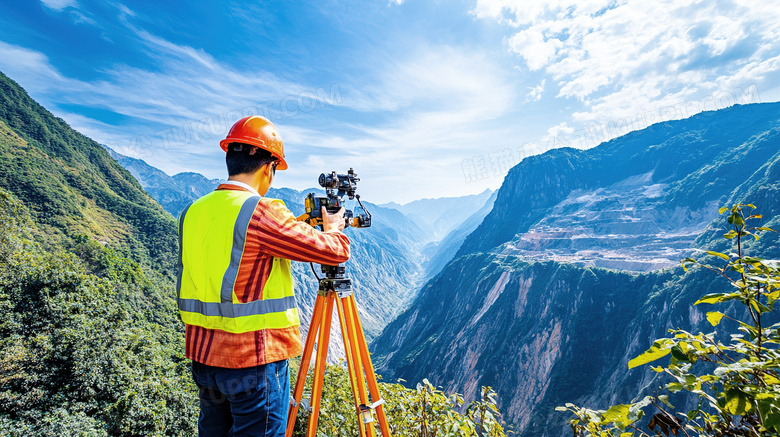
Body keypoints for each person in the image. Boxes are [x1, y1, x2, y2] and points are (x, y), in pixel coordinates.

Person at [176, 115, 350, 436]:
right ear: (269, 167)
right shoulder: (262, 211)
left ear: (230, 158)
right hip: (253, 362)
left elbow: (243, 252)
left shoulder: (194, 211)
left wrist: (298, 226)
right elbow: (334, 252)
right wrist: (335, 228)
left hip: (204, 359)